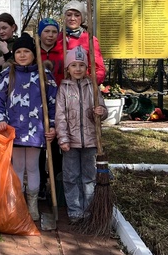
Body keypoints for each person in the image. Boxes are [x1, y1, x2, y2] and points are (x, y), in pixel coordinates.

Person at [0, 32, 57, 221]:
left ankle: (32, 202)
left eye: (26, 51)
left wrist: (52, 125)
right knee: (17, 165)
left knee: (33, 166)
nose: (22, 55)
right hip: (14, 128)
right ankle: (17, 201)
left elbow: (53, 103)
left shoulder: (45, 76)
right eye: (18, 51)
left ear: (34, 54)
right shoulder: (7, 74)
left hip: (36, 129)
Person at [55, 46, 107, 224]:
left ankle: (89, 209)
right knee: (71, 177)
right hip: (70, 142)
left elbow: (102, 111)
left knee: (89, 177)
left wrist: (101, 112)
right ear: (68, 68)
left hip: (91, 141)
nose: (78, 69)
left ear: (86, 68)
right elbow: (60, 116)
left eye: (81, 65)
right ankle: (75, 210)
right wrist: (62, 138)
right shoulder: (63, 89)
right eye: (74, 65)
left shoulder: (92, 87)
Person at [36, 18, 64, 200]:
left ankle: (57, 185)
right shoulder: (34, 51)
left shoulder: (62, 51)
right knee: (38, 148)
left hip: (59, 102)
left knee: (55, 146)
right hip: (37, 105)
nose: (50, 35)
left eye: (54, 32)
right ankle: (39, 185)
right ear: (40, 33)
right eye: (47, 31)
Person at [55, 0, 106, 86]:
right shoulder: (57, 38)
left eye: (77, 15)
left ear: (82, 18)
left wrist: (90, 83)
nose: (72, 18)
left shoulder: (89, 40)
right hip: (59, 88)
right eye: (69, 15)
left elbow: (99, 69)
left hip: (82, 88)